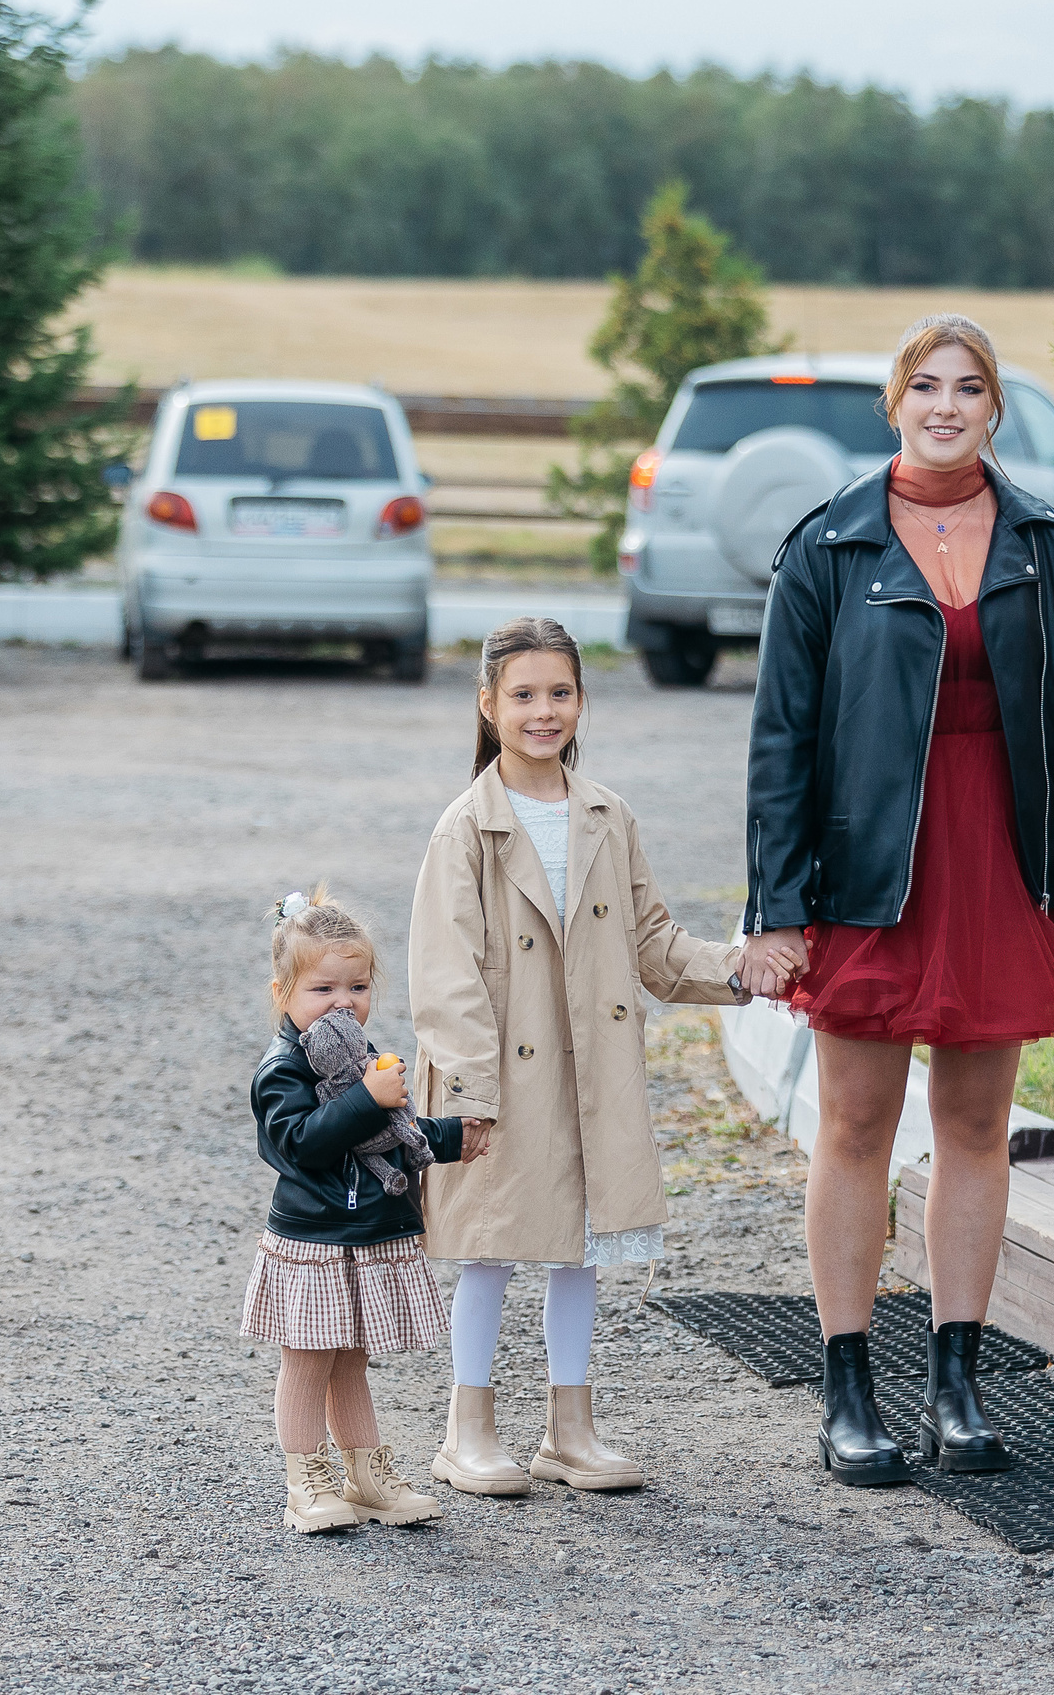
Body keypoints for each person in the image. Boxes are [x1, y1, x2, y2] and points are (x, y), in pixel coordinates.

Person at [741, 314, 1054, 1484]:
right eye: (926, 385)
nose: (947, 405)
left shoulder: (1044, 546)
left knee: (976, 1128)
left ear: (996, 410)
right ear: (895, 403)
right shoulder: (827, 546)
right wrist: (776, 906)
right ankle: (847, 1387)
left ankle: (955, 1384)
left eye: (970, 388)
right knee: (855, 1127)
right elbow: (781, 741)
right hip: (871, 875)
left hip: (1001, 869)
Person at [410, 615, 753, 1495]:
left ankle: (571, 1426)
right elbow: (445, 975)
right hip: (499, 1079)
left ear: (582, 700)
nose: (543, 710)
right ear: (488, 704)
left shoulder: (607, 814)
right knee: (489, 1245)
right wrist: (470, 1093)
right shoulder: (465, 828)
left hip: (588, 1069)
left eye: (559, 692)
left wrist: (741, 969)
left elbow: (653, 943)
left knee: (579, 1249)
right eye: (523, 694)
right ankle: (467, 1426)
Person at [242, 887, 458, 1533]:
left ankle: (367, 1475)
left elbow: (397, 1133)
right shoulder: (283, 1068)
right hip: (315, 1238)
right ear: (282, 992)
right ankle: (305, 1479)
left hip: (366, 1232)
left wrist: (453, 1136)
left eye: (357, 986)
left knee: (352, 1358)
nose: (344, 1001)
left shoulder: (360, 1057)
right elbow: (300, 1144)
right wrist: (366, 1097)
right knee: (308, 1359)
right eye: (322, 989)